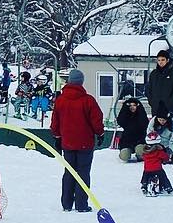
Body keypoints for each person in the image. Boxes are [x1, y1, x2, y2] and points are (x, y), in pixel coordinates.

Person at [50, 69, 104, 212]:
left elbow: (55, 121)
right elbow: (96, 120)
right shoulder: (88, 100)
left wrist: (57, 137)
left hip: (67, 142)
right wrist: (100, 133)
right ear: (81, 82)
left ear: (69, 81)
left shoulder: (60, 100)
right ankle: (81, 205)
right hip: (85, 143)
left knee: (69, 172)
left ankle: (66, 204)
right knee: (83, 173)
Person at [146, 49, 173, 119]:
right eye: (159, 60)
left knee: (171, 128)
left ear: (167, 60)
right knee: (157, 128)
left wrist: (170, 102)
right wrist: (151, 102)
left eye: (163, 60)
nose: (160, 62)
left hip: (170, 109)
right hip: (156, 108)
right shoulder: (153, 74)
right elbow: (149, 88)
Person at [140, 130, 173, 196]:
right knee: (163, 176)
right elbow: (165, 157)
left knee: (145, 176)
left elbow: (143, 157)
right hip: (158, 169)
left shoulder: (145, 152)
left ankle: (144, 184)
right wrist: (167, 158)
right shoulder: (159, 151)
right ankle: (167, 187)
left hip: (147, 169)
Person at [116, 97, 148, 162]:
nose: (132, 107)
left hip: (139, 141)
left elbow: (144, 122)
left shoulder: (141, 115)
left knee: (140, 151)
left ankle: (139, 156)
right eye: (130, 105)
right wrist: (125, 107)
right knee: (124, 156)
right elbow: (120, 121)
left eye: (134, 105)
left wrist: (140, 108)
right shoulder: (126, 115)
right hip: (127, 142)